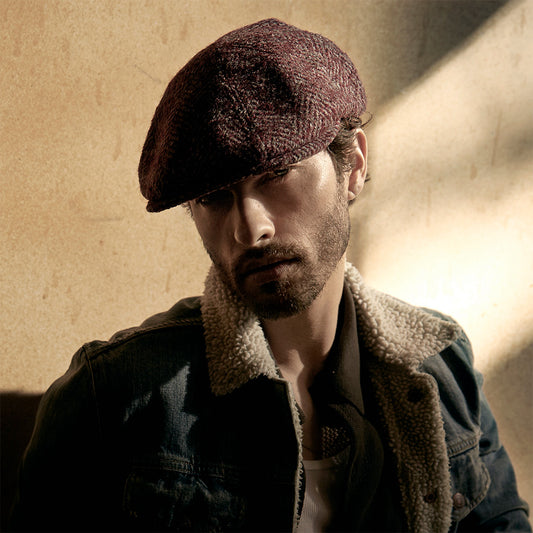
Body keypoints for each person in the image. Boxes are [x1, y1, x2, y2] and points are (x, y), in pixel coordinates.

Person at [10, 18, 530, 533]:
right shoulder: (112, 393)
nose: (250, 228)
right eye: (213, 197)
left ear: (353, 167)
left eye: (276, 173)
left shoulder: (441, 366)